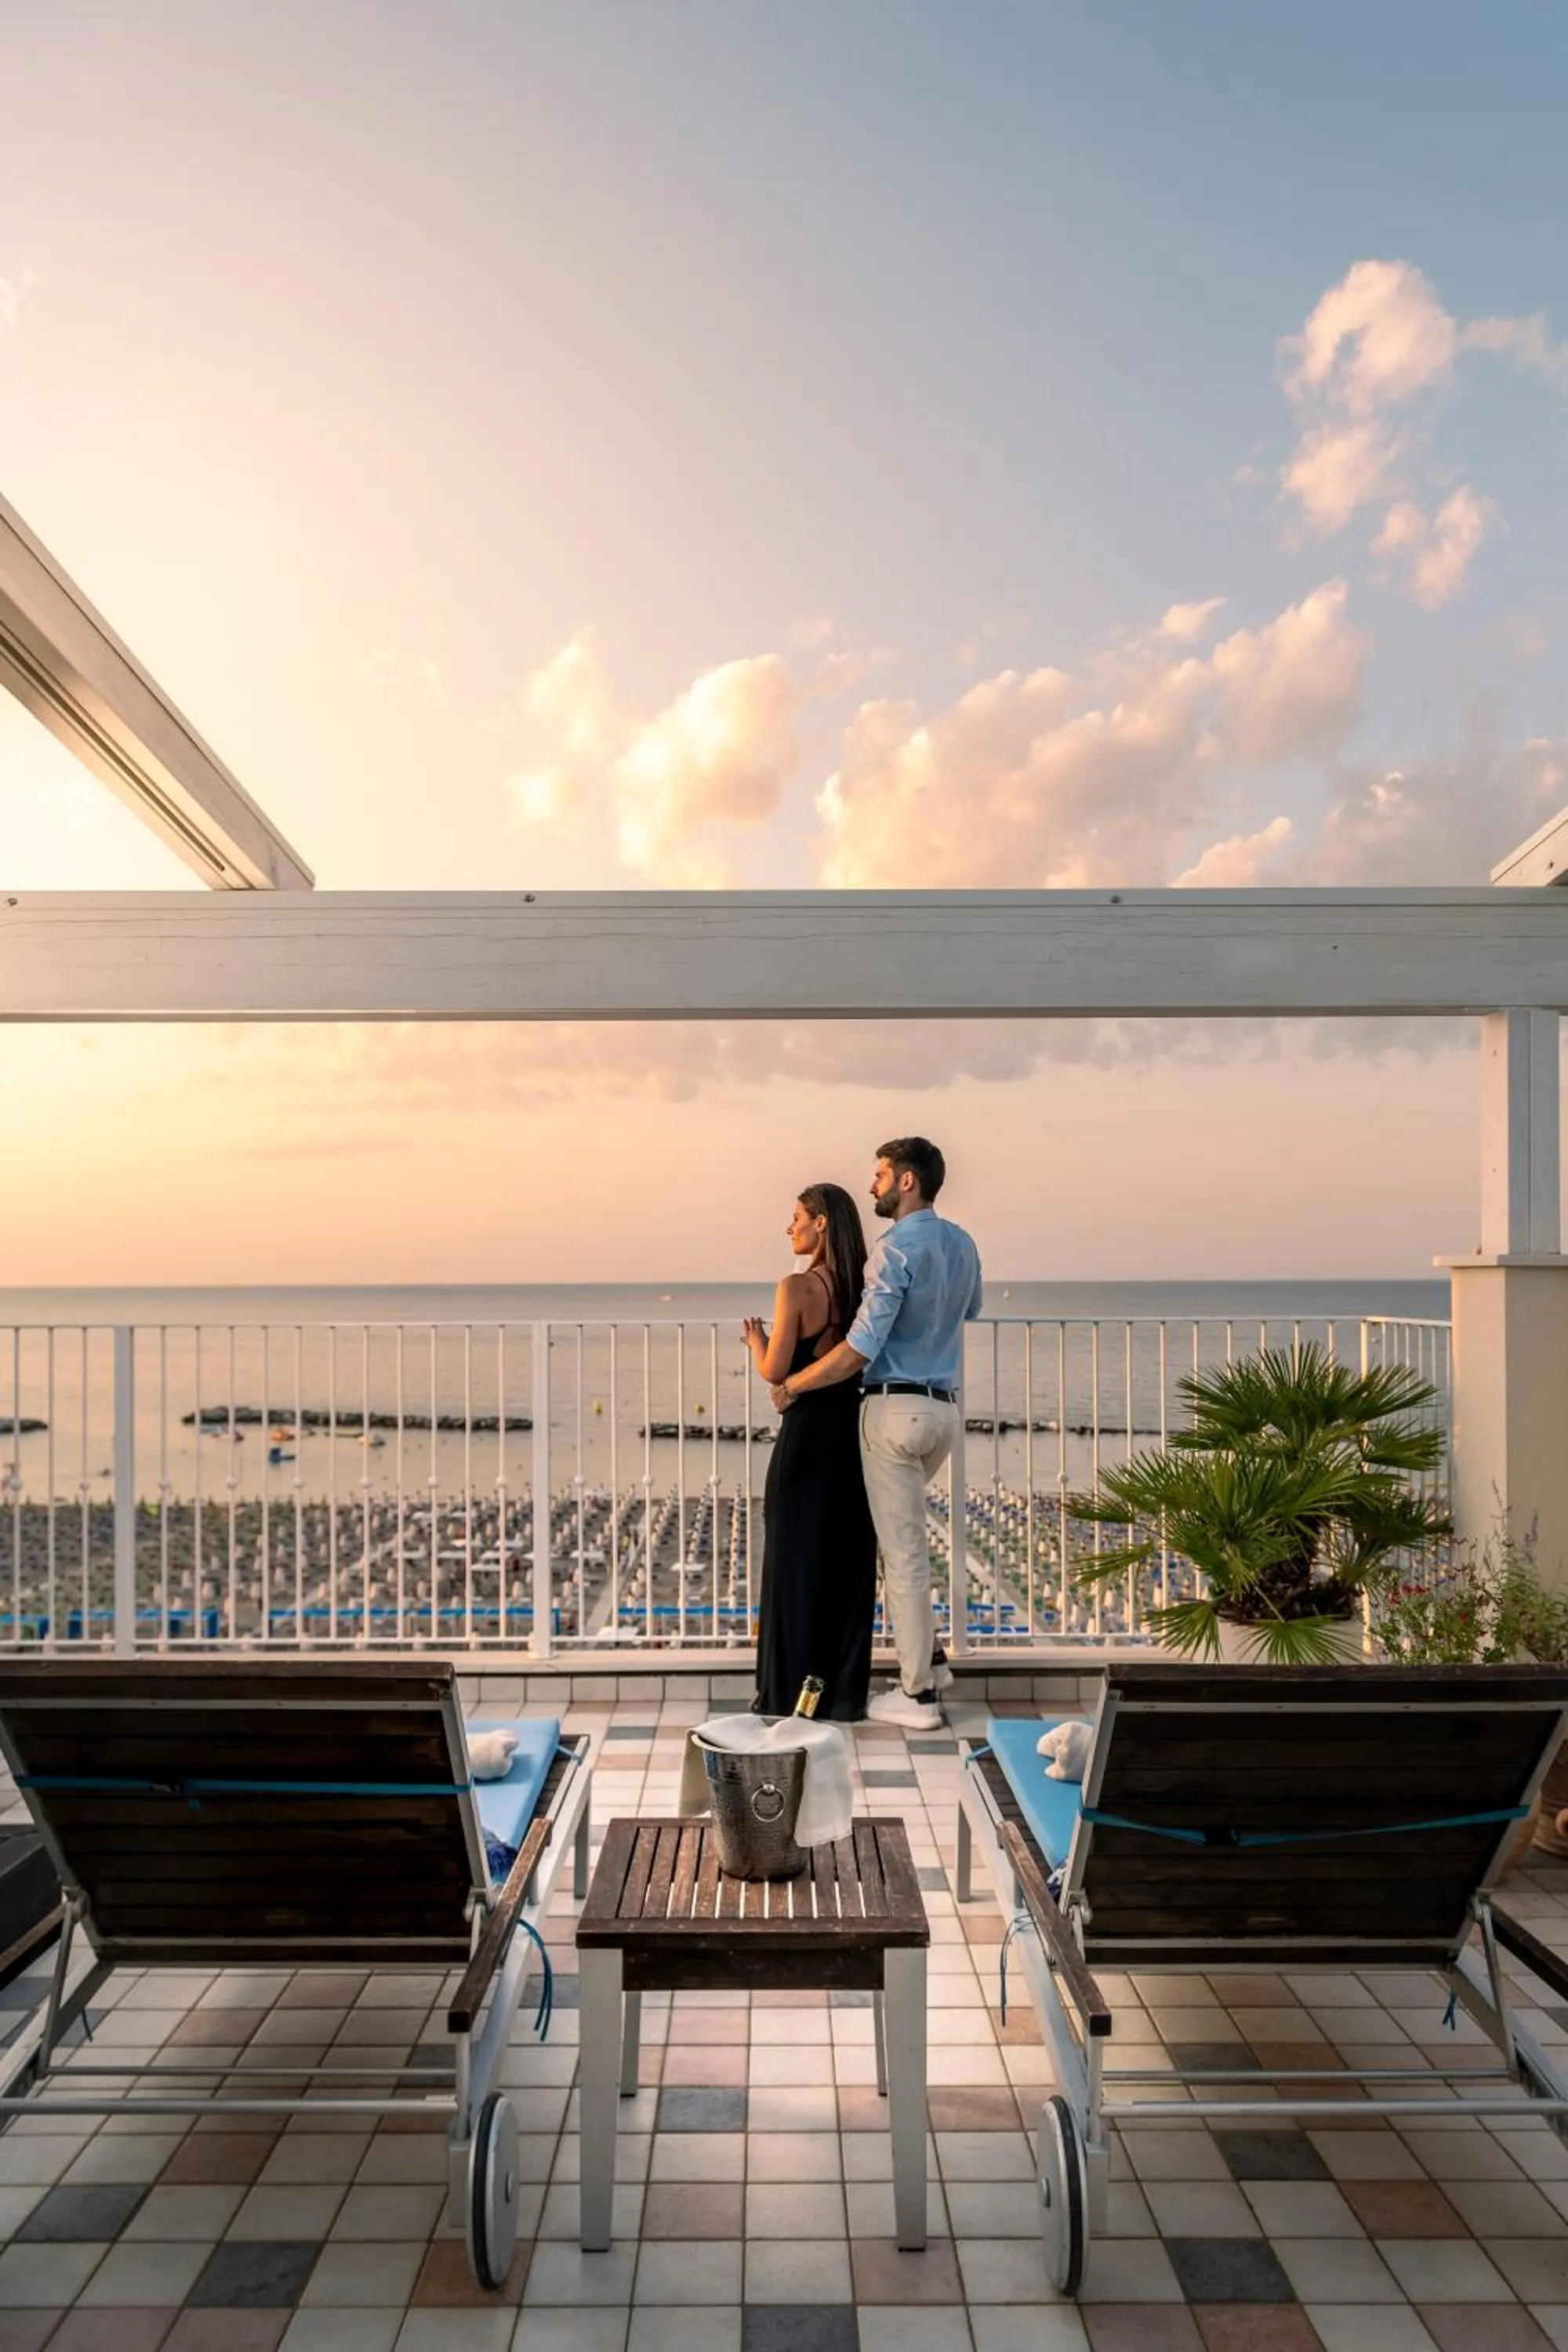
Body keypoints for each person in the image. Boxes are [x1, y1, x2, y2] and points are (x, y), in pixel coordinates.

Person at [768, 1138, 982, 1730]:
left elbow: (859, 1350)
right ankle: (932, 1663)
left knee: (904, 1551)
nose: (873, 1187)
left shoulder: (891, 1252)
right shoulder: (963, 1244)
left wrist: (795, 1385)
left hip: (893, 1413)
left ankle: (917, 1697)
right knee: (901, 1539)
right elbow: (972, 1310)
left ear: (907, 1181)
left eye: (881, 1175)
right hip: (943, 1412)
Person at [742, 1183, 879, 1722]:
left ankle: (784, 1693)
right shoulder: (863, 1287)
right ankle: (840, 1695)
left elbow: (775, 1372)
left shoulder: (796, 1287)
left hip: (804, 1441)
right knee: (843, 1566)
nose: (789, 1227)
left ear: (820, 1223)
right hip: (851, 1438)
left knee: (791, 1566)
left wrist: (756, 1340)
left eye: (796, 1216)